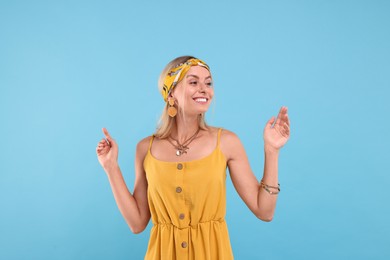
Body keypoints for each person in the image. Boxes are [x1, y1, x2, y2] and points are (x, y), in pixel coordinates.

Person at [96, 56, 290, 259]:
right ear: (171, 93)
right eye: (193, 82)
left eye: (208, 82)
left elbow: (264, 211)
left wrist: (271, 150)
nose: (204, 89)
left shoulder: (226, 142)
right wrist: (111, 167)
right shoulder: (145, 148)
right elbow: (137, 223)